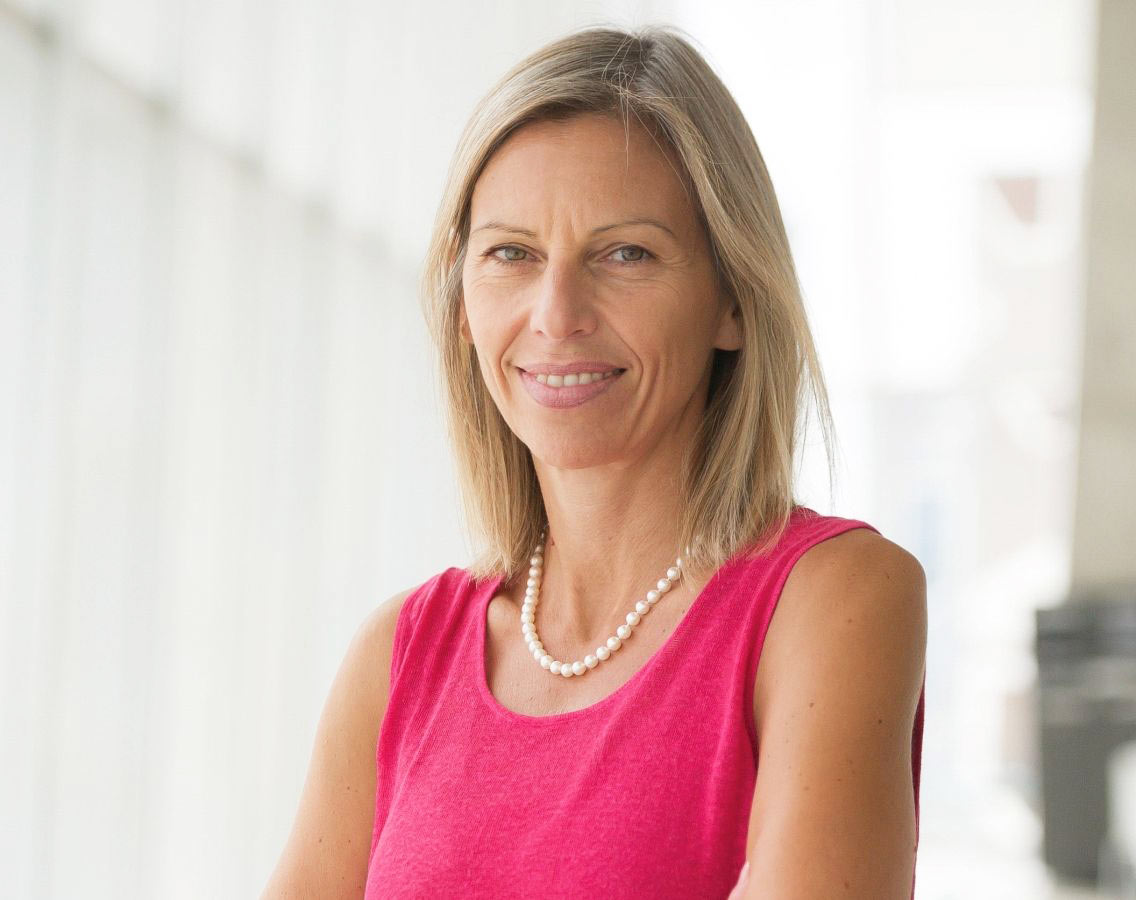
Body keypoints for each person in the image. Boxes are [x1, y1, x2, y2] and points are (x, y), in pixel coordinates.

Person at [263, 23, 926, 900]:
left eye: (626, 253)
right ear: (464, 306)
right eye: (511, 254)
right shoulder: (399, 655)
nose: (556, 312)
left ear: (732, 301)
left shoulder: (833, 601)